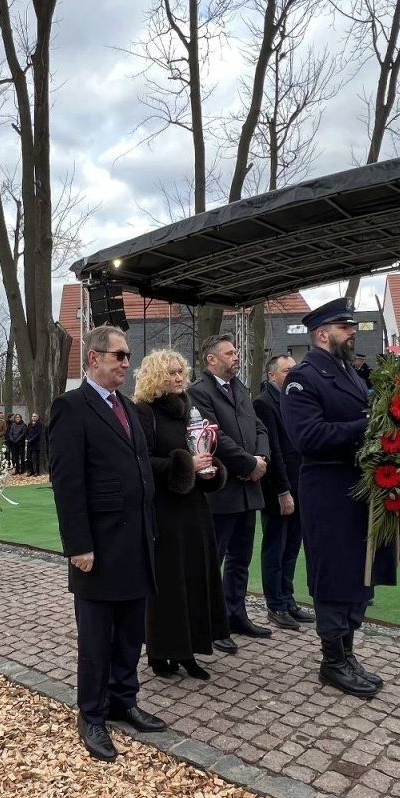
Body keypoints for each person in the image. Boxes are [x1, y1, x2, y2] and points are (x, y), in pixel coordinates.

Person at [48, 325, 164, 762]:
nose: (125, 363)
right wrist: (78, 544)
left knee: (131, 631)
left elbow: (137, 466)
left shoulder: (127, 408)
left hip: (135, 540)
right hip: (97, 544)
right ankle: (92, 714)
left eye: (128, 356)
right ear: (93, 358)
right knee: (97, 637)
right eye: (118, 355)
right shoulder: (71, 407)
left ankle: (123, 698)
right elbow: (67, 482)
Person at [281, 298, 394, 698]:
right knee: (333, 574)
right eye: (346, 328)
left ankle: (348, 651)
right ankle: (332, 660)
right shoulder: (304, 378)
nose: (353, 333)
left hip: (360, 489)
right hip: (328, 490)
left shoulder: (350, 372)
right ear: (322, 334)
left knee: (359, 572)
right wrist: (368, 426)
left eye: (353, 327)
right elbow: (307, 438)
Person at [132, 349, 227, 680]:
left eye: (181, 372)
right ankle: (161, 652)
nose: (178, 377)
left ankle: (190, 649)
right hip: (164, 508)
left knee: (196, 578)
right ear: (156, 376)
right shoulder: (143, 412)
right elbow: (140, 460)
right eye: (171, 373)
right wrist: (184, 465)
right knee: (169, 584)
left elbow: (203, 450)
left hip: (194, 508)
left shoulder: (191, 410)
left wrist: (211, 468)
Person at [186, 333, 271, 646]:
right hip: (222, 491)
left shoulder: (241, 389)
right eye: (230, 353)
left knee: (241, 558)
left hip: (249, 490)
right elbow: (212, 437)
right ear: (212, 359)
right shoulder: (199, 391)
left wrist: (261, 459)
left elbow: (259, 428)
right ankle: (212, 623)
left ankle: (236, 614)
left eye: (236, 352)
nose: (237, 357)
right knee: (215, 559)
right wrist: (248, 464)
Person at [255, 353, 313, 631]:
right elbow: (275, 452)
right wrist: (282, 491)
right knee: (275, 547)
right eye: (287, 370)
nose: (293, 374)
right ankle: (275, 604)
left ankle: (288, 599)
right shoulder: (264, 403)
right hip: (279, 489)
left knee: (292, 547)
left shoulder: (295, 400)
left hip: (300, 485)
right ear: (272, 376)